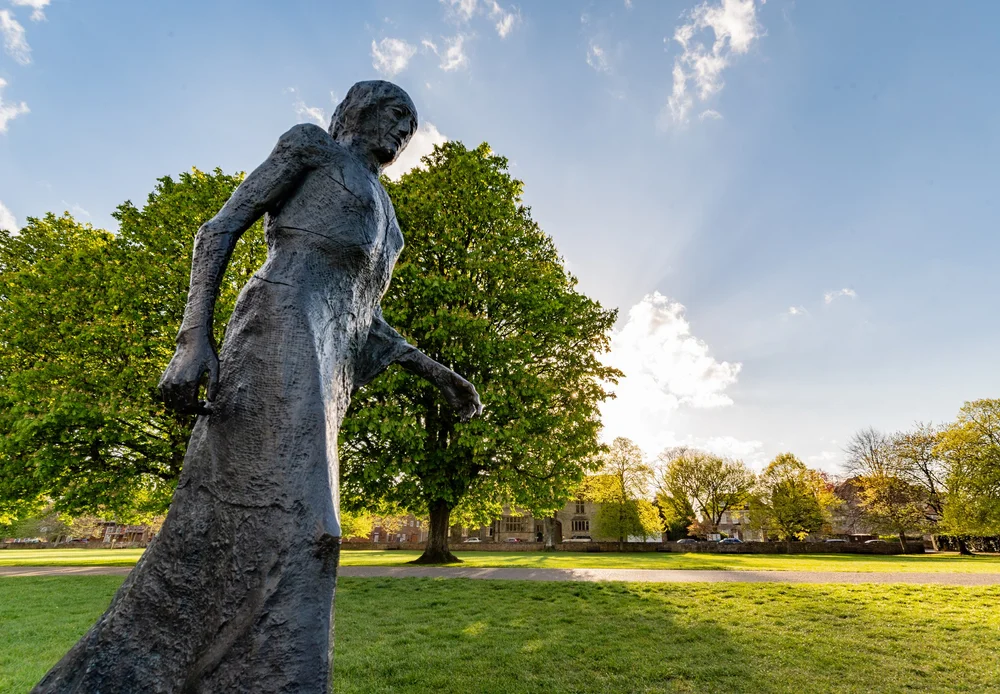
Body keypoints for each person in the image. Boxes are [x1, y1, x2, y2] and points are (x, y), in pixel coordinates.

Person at [34, 80, 482, 693]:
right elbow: (219, 229)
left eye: (413, 122)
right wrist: (194, 337)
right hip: (274, 330)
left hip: (325, 366)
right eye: (396, 112)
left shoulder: (391, 225)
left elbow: (363, 318)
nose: (405, 129)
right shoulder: (311, 149)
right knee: (307, 527)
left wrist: (442, 374)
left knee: (290, 528)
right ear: (357, 109)